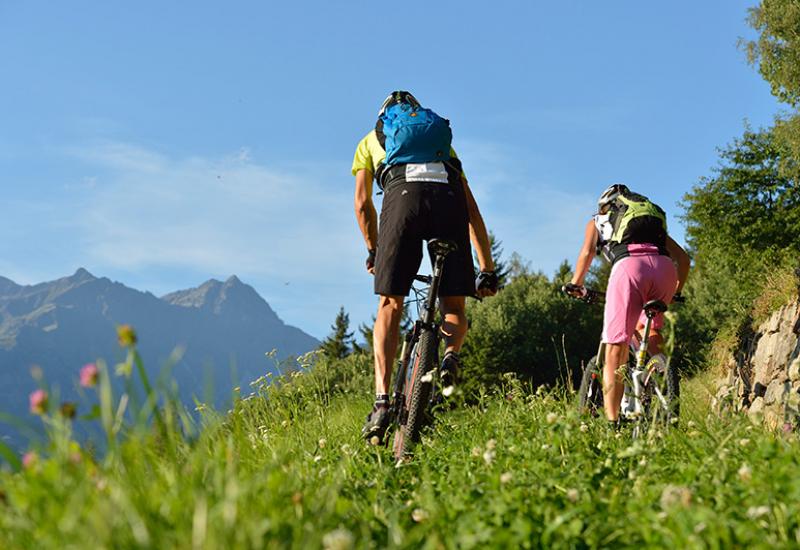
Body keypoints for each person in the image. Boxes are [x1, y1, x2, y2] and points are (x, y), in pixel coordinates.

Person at [352, 90, 498, 443]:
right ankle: (450, 357)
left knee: (391, 303)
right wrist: (487, 269)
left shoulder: (371, 140)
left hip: (402, 199)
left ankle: (383, 401)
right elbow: (472, 211)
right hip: (447, 202)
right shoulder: (441, 144)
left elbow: (361, 204)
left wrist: (374, 249)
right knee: (453, 305)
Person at [565, 184, 690, 424]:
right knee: (649, 330)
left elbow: (587, 253)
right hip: (665, 270)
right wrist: (676, 292)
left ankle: (612, 422)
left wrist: (576, 284)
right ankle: (662, 379)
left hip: (630, 269)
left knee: (616, 347)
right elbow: (683, 259)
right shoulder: (651, 226)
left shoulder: (597, 220)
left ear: (605, 206)